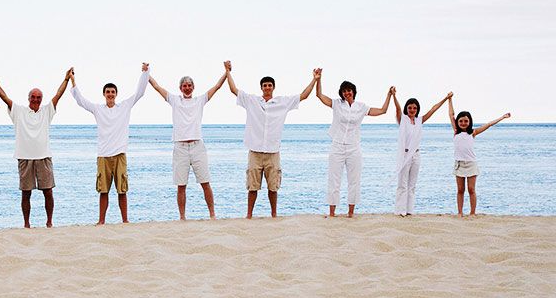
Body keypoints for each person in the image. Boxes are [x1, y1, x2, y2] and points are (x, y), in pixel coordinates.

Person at [226, 65, 319, 218]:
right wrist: (228, 72)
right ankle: (249, 215)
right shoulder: (252, 101)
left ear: (273, 88)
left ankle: (274, 214)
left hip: (272, 151)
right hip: (255, 151)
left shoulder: (282, 102)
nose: (267, 88)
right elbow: (233, 89)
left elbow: (303, 96)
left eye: (269, 85)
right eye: (265, 86)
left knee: (273, 187)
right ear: (261, 88)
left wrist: (314, 79)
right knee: (252, 187)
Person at [147, 63, 229, 220]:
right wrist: (146, 74)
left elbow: (217, 86)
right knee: (181, 185)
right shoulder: (174, 100)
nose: (187, 88)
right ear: (180, 88)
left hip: (198, 146)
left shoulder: (200, 100)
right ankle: (182, 217)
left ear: (193, 87)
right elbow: (157, 87)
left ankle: (212, 214)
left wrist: (226, 72)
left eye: (189, 85)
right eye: (184, 86)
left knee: (205, 182)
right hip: (180, 147)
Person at [71, 63, 149, 224]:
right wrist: (72, 80)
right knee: (103, 191)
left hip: (120, 154)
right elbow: (81, 101)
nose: (110, 94)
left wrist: (145, 72)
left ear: (116, 94)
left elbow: (139, 92)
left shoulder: (124, 106)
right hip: (103, 155)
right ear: (104, 94)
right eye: (108, 92)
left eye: (113, 92)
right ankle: (101, 221)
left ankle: (125, 220)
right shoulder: (98, 109)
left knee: (122, 190)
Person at [0, 69, 72, 228]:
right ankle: (26, 223)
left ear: (41, 99)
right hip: (25, 157)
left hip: (43, 156)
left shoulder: (46, 111)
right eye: (33, 97)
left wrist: (66, 79)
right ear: (28, 98)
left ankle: (49, 222)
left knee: (48, 191)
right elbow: (5, 98)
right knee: (26, 193)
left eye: (38, 98)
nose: (36, 100)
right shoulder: (19, 111)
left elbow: (58, 95)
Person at [315, 71, 391, 217]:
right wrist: (318, 79)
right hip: (337, 145)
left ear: (353, 92)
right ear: (341, 93)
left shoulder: (361, 107)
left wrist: (389, 95)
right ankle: (332, 213)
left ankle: (351, 213)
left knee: (354, 180)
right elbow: (320, 95)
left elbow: (382, 111)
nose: (347, 93)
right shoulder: (337, 104)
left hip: (354, 147)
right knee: (334, 179)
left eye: (349, 90)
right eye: (344, 91)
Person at [447, 93, 511, 217]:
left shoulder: (473, 133)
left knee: (471, 190)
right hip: (459, 164)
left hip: (471, 164)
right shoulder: (456, 131)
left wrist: (502, 117)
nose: (463, 123)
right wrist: (450, 100)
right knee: (460, 190)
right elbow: (451, 115)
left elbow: (488, 124)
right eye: (461, 121)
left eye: (466, 121)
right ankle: (460, 212)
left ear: (470, 122)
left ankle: (472, 213)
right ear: (458, 122)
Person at [392, 88, 449, 216]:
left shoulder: (419, 120)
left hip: (416, 155)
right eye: (410, 107)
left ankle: (409, 210)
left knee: (412, 185)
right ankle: (400, 211)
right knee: (402, 184)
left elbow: (433, 109)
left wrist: (445, 99)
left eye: (414, 108)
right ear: (407, 108)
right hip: (404, 154)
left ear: (417, 109)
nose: (412, 110)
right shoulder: (403, 120)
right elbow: (397, 109)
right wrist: (394, 96)